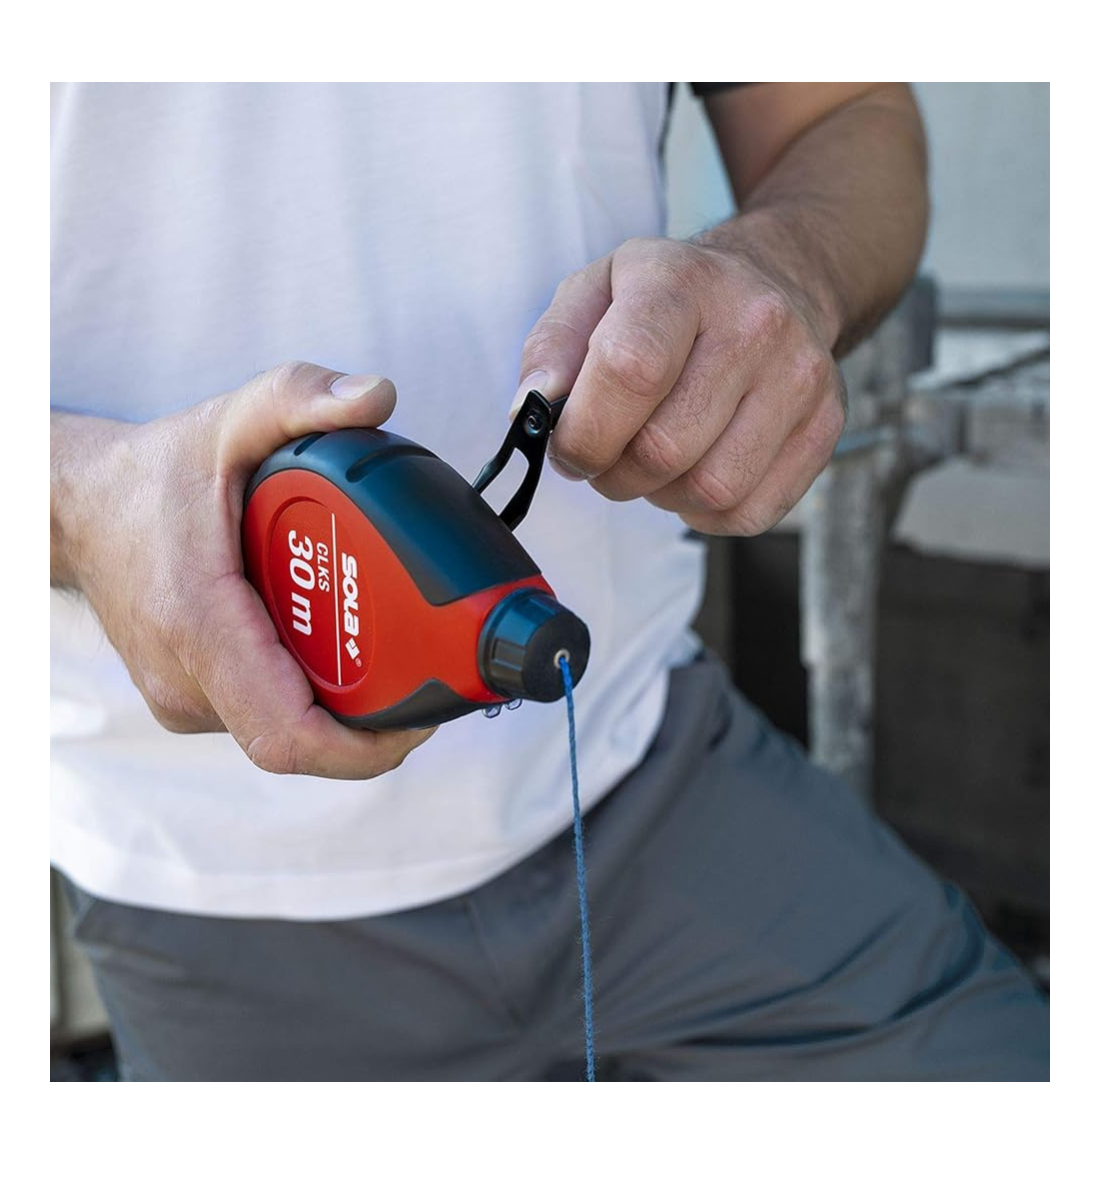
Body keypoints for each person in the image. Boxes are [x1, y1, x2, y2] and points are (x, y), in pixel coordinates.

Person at [50, 82, 1048, 1080]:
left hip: (645, 758)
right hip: (210, 889)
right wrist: (82, 498)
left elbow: (844, 113)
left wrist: (787, 266)